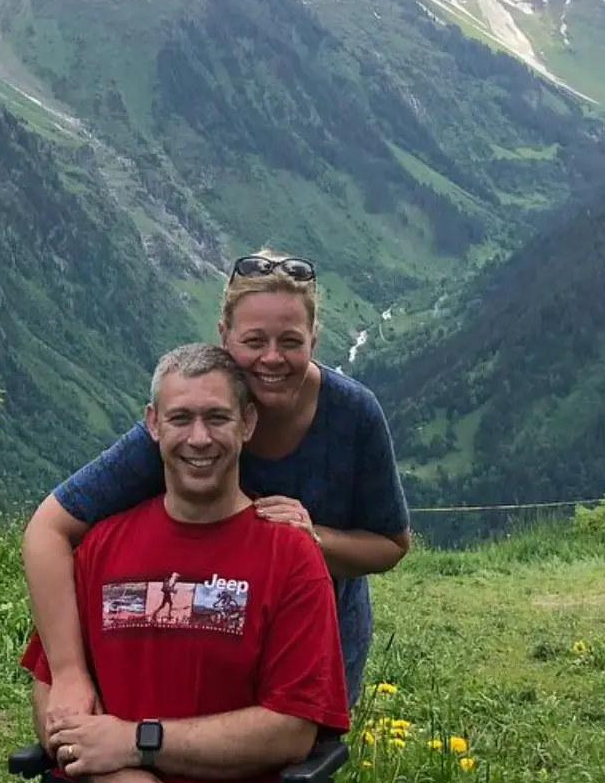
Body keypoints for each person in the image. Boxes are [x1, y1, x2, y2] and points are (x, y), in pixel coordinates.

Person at [0, 343, 349, 783]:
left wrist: (139, 742)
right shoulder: (102, 545)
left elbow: (291, 729)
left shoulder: (290, 557)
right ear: (153, 425)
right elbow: (51, 687)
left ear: (247, 424)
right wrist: (109, 778)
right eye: (181, 418)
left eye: (217, 418)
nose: (199, 438)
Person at [23, 250, 411, 720]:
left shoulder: (353, 415)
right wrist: (68, 673)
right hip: (200, 646)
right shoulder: (192, 420)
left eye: (290, 341)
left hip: (314, 648)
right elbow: (48, 530)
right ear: (224, 335)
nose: (272, 357)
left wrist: (316, 541)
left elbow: (391, 544)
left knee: (295, 751)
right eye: (254, 340)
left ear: (314, 338)